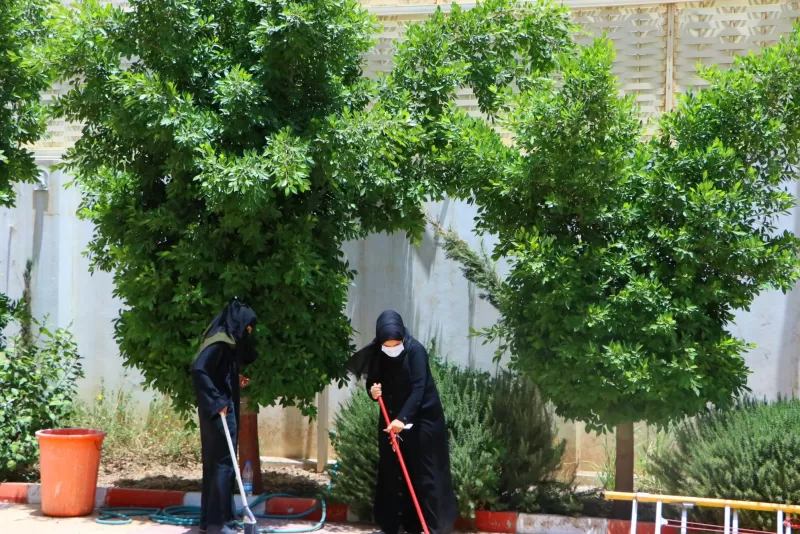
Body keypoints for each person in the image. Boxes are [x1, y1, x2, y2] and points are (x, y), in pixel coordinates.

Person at [346, 310, 457, 534]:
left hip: (423, 419)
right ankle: (394, 525)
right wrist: (373, 391)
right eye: (387, 344)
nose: (392, 348)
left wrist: (402, 419)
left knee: (423, 473)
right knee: (392, 471)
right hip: (392, 419)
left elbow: (418, 390)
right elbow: (374, 382)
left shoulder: (416, 351)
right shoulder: (379, 353)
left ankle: (430, 527)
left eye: (396, 343)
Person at [191, 298, 259, 534]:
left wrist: (233, 378)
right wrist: (218, 401)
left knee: (216, 464)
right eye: (248, 326)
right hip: (219, 412)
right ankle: (219, 524)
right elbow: (200, 369)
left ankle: (212, 521)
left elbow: (217, 371)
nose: (249, 331)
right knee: (223, 465)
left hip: (218, 411)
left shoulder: (226, 339)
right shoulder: (220, 342)